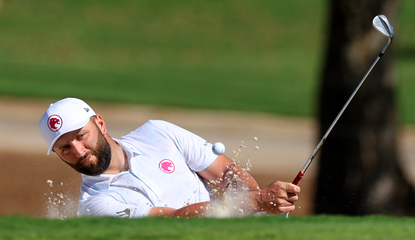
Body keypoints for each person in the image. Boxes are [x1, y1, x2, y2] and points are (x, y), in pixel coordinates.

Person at [39, 97, 300, 218]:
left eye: (81, 135)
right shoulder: (94, 205)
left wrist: (259, 210)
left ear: (100, 124)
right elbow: (176, 220)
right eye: (65, 148)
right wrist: (254, 203)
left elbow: (226, 173)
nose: (78, 151)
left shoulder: (158, 132)